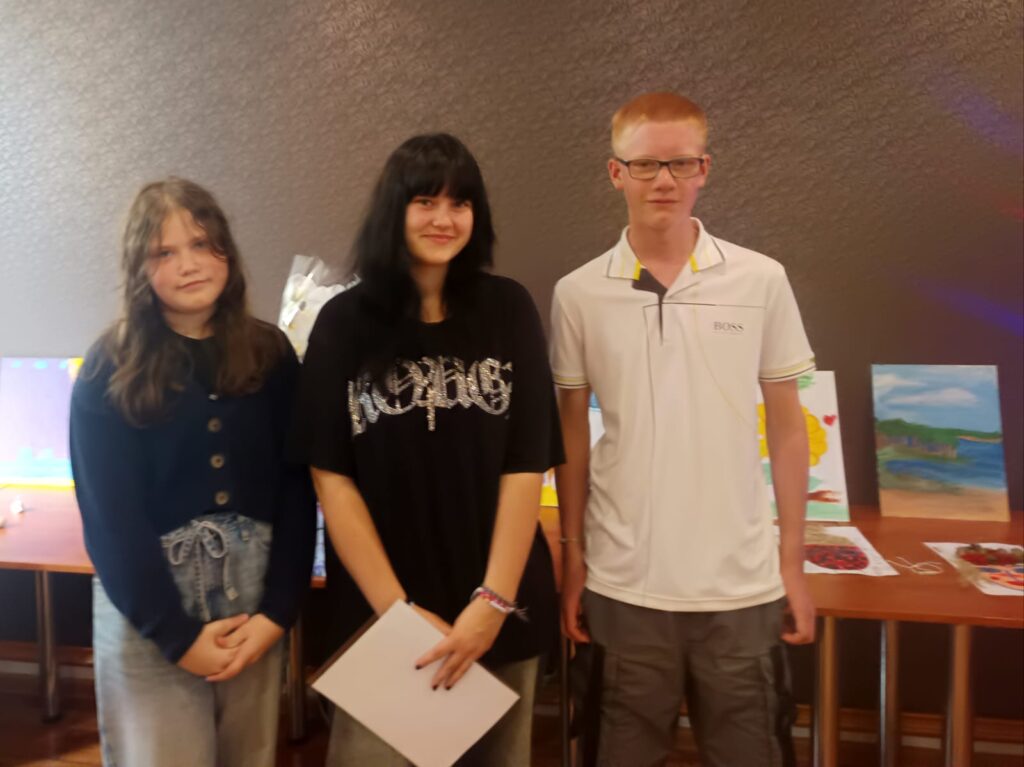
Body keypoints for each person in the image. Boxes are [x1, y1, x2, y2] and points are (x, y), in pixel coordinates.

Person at [551, 92, 815, 767]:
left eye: (680, 163)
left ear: (704, 169)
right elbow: (570, 436)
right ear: (616, 173)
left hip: (742, 584)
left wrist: (792, 561)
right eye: (645, 164)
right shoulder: (578, 293)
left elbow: (789, 429)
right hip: (622, 581)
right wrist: (573, 558)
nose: (663, 180)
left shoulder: (760, 280)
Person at [288, 133, 563, 766]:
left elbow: (526, 467)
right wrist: (400, 614)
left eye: (460, 203)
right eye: (425, 201)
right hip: (380, 612)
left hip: (498, 607)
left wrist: (492, 604)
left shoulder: (509, 309)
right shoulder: (344, 322)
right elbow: (332, 478)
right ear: (395, 208)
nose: (444, 218)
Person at [69, 178, 316, 767]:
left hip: (253, 600)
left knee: (248, 755)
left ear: (226, 249)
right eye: (165, 252)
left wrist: (278, 613)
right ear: (139, 268)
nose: (189, 264)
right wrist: (175, 636)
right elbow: (109, 518)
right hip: (149, 602)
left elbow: (296, 488)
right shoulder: (109, 367)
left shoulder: (271, 354)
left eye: (202, 243)